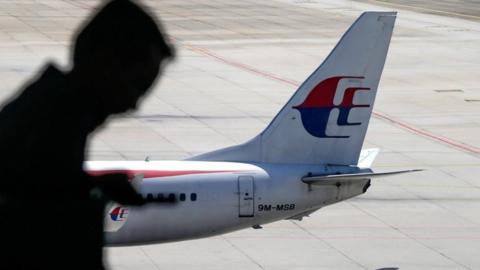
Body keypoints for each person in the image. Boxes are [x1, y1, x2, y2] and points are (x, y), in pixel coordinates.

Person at [0, 0, 174, 269]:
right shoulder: (57, 122)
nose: (134, 104)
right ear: (105, 63)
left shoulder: (46, 108)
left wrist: (89, 185)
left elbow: (34, 184)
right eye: (136, 85)